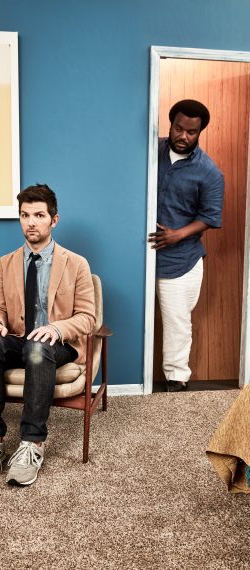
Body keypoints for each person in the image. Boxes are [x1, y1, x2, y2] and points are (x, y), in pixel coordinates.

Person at [0, 184, 95, 486]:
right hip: (18, 339)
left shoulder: (76, 264)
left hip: (58, 343)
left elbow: (88, 318)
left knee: (38, 347)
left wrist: (55, 328)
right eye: (25, 215)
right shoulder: (6, 262)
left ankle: (31, 444)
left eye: (39, 215)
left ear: (54, 219)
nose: (31, 222)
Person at [148, 99, 224, 393]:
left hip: (181, 260)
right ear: (171, 124)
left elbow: (210, 217)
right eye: (178, 128)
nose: (183, 136)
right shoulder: (150, 152)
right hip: (140, 256)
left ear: (200, 132)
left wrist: (178, 235)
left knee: (177, 323)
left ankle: (176, 381)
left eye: (191, 132)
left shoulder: (209, 172)